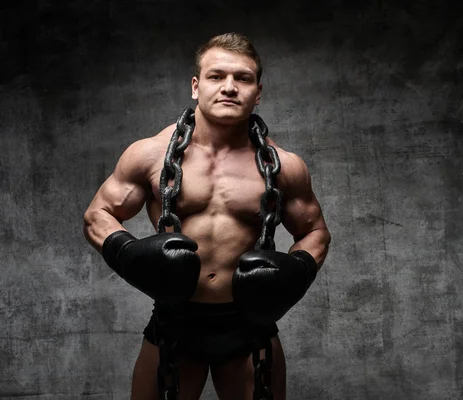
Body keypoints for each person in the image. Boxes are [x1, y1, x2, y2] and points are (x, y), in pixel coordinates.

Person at [82, 32, 331, 400]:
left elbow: (316, 233)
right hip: (174, 322)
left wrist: (295, 272)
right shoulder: (150, 155)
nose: (229, 87)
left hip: (249, 327)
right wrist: (131, 255)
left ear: (257, 92)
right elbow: (97, 215)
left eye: (242, 78)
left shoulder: (284, 168)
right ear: (196, 86)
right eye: (217, 76)